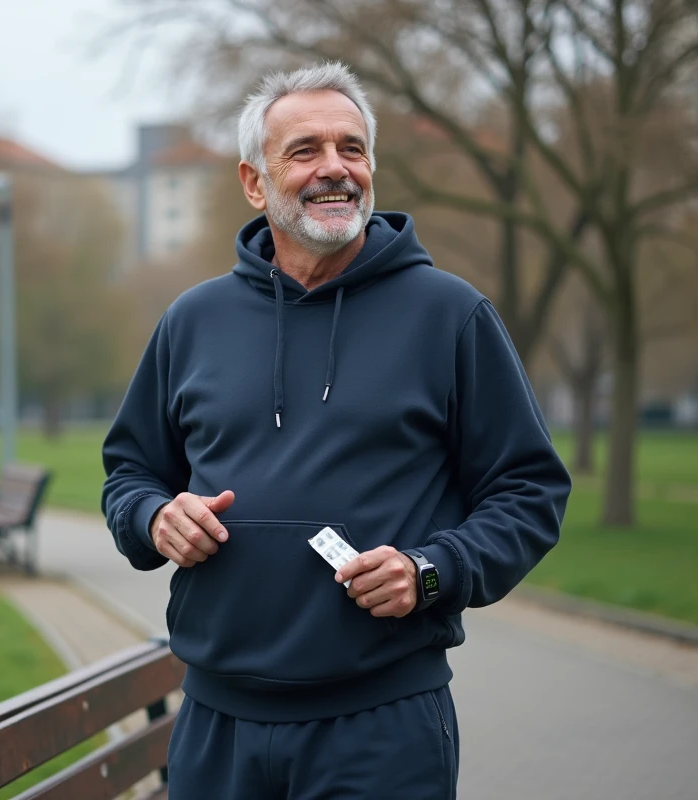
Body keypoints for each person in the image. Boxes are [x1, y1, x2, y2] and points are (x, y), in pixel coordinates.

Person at [100, 61, 572, 798]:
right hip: (217, 727)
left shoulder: (450, 315)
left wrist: (432, 569)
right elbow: (129, 474)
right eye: (305, 151)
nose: (335, 170)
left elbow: (530, 490)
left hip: (381, 730)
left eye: (352, 149)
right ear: (255, 182)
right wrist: (155, 516)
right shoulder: (192, 322)